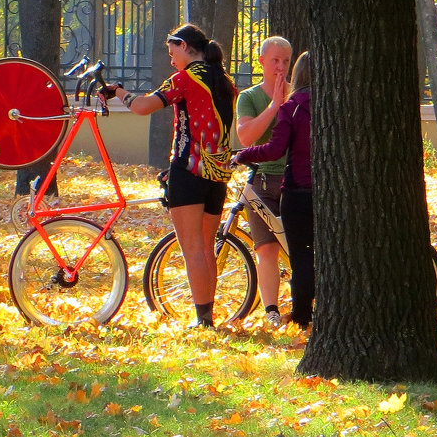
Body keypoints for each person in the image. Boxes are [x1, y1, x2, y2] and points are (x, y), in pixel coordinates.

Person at [104, 23, 237, 328]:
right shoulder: (225, 81)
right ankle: (207, 317)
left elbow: (141, 107)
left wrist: (117, 91)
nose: (170, 59)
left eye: (171, 51)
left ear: (184, 45)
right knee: (206, 249)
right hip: (217, 176)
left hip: (188, 173)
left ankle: (203, 321)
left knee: (192, 249)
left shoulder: (187, 78)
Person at [234, 52, 313, 327]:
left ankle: (303, 315)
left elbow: (275, 148)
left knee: (301, 256)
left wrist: (243, 155)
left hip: (297, 189)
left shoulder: (293, 106)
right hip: (325, 190)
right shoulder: (333, 105)